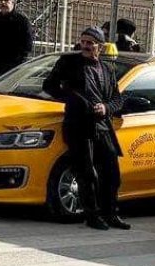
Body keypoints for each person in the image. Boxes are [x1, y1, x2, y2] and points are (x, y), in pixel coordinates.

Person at [43, 27, 127, 231]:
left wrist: (106, 107)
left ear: (100, 46)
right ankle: (92, 215)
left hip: (103, 126)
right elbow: (50, 86)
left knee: (111, 173)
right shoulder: (69, 63)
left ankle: (111, 213)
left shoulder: (107, 70)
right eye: (83, 42)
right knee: (87, 173)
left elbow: (117, 99)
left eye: (91, 43)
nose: (86, 46)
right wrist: (75, 100)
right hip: (78, 126)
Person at [0, 0, 34, 80]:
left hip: (14, 65)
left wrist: (19, 60)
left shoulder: (22, 20)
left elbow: (27, 44)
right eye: (0, 0)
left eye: (6, 0)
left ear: (13, 3)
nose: (3, 3)